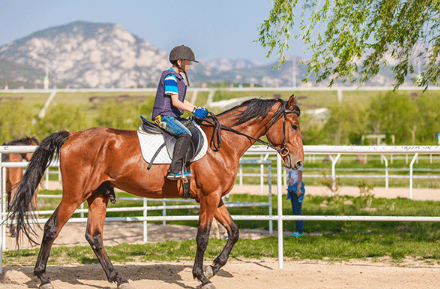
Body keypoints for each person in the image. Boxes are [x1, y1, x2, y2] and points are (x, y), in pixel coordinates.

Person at [152, 45, 209, 180]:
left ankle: (186, 166)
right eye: (187, 62)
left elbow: (182, 100)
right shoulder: (170, 77)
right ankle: (174, 170)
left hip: (172, 116)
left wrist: (197, 108)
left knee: (192, 127)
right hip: (164, 116)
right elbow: (176, 103)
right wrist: (194, 110)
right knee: (185, 133)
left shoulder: (177, 78)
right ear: (179, 62)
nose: (189, 65)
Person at [287, 165, 305, 237]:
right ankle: (297, 230)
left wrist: (298, 189)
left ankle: (299, 230)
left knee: (297, 210)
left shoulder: (299, 164)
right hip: (292, 188)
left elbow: (300, 178)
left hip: (297, 188)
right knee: (294, 210)